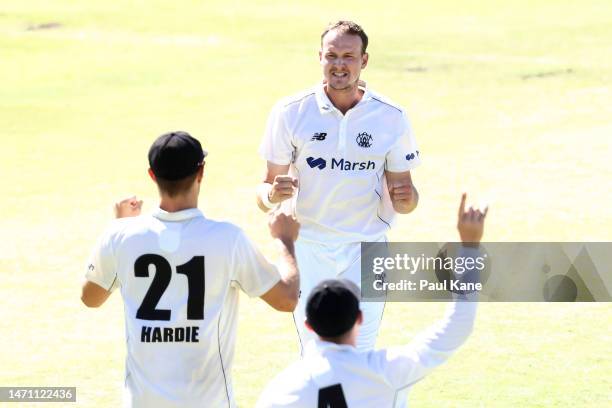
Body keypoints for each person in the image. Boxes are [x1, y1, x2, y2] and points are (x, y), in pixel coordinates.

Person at [81, 131, 300, 408]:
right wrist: (286, 241)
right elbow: (287, 299)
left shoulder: (120, 236)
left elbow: (90, 298)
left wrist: (118, 226)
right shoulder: (227, 239)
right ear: (201, 172)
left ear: (152, 175)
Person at [256, 20, 421, 351]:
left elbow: (406, 194)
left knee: (362, 348)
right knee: (315, 349)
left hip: (368, 247)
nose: (339, 65)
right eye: (332, 56)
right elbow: (263, 194)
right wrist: (272, 194)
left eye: (348, 56)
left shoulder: (391, 116)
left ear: (364, 60)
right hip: (311, 247)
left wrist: (407, 200)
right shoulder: (291, 112)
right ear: (320, 57)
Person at [256, 194, 487, 408]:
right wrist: (470, 246)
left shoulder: (282, 389)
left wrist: (284, 240)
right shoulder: (387, 371)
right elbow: (459, 324)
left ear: (309, 325)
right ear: (359, 318)